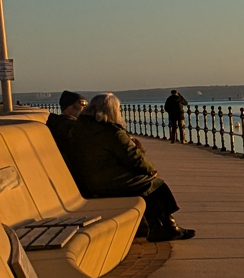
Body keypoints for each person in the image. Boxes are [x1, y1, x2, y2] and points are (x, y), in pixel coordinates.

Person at [67, 94, 194, 241]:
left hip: (88, 179)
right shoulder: (110, 132)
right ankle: (166, 227)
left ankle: (162, 227)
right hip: (105, 182)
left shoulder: (80, 129)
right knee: (154, 184)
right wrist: (151, 170)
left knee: (144, 185)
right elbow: (134, 157)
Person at [47, 90, 87, 171]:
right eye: (81, 104)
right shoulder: (67, 127)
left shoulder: (57, 123)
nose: (84, 108)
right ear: (68, 107)